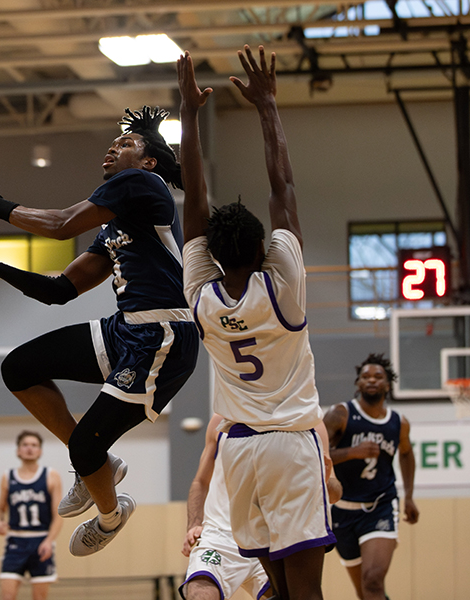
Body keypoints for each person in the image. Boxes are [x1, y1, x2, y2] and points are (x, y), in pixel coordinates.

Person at [0, 103, 199, 556]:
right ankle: (99, 464)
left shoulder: (142, 184)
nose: (112, 148)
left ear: (148, 161)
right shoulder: (118, 222)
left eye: (125, 143)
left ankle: (111, 514)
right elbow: (59, 290)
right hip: (125, 332)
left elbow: (60, 225)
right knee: (20, 368)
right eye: (114, 142)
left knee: (84, 445)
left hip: (163, 338)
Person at [179, 46, 336, 600]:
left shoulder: (200, 298)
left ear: (214, 256)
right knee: (306, 593)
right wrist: (268, 106)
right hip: (291, 446)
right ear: (265, 248)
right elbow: (283, 191)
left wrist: (189, 116)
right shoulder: (283, 286)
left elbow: (192, 210)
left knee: (278, 593)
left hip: (238, 453)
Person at [323, 353, 419, 600]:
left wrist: (409, 496)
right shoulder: (340, 414)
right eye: (365, 376)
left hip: (381, 506)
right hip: (342, 512)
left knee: (373, 581)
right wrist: (352, 452)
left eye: (378, 376)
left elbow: (406, 455)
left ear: (387, 384)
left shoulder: (399, 422)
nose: (371, 380)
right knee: (365, 592)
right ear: (358, 384)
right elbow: (317, 454)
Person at [180, 414, 272, 600]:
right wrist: (194, 524)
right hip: (220, 536)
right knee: (200, 593)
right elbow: (201, 481)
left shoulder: (296, 417)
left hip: (270, 538)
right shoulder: (220, 420)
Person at [0, 431, 62, 600]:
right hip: (15, 541)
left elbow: (58, 515)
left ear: (40, 451)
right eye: (25, 445)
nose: (29, 449)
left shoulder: (51, 475)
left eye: (34, 445)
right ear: (18, 450)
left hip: (41, 541)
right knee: (7, 596)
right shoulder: (7, 477)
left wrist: (49, 540)